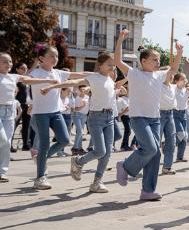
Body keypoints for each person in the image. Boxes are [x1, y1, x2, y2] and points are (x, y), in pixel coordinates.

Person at [114, 30, 183, 201]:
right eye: (154, 59)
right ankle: (125, 166)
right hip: (139, 118)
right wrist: (120, 40)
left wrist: (179, 53)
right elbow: (117, 60)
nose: (158, 62)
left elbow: (173, 68)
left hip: (155, 119)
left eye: (159, 59)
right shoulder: (134, 73)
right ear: (143, 61)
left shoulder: (159, 75)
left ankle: (147, 191)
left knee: (156, 153)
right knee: (151, 148)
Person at [42, 52, 119, 193]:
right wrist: (51, 87)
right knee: (100, 151)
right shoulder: (93, 78)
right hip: (96, 118)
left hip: (110, 118)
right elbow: (74, 82)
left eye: (113, 65)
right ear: (100, 65)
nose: (112, 67)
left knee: (107, 153)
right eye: (109, 64)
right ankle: (78, 161)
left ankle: (97, 182)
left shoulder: (110, 80)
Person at [29, 46, 86, 190]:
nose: (56, 59)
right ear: (41, 58)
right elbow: (27, 80)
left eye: (57, 56)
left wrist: (97, 74)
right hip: (40, 113)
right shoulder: (35, 73)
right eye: (52, 56)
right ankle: (40, 178)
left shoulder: (58, 73)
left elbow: (78, 74)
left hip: (55, 112)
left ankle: (42, 158)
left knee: (65, 140)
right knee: (44, 143)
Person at [0, 53, 60, 183]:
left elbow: (29, 80)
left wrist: (48, 81)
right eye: (4, 61)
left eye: (10, 61)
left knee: (6, 143)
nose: (8, 64)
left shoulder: (14, 77)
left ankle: (2, 172)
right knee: (3, 140)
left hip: (9, 112)